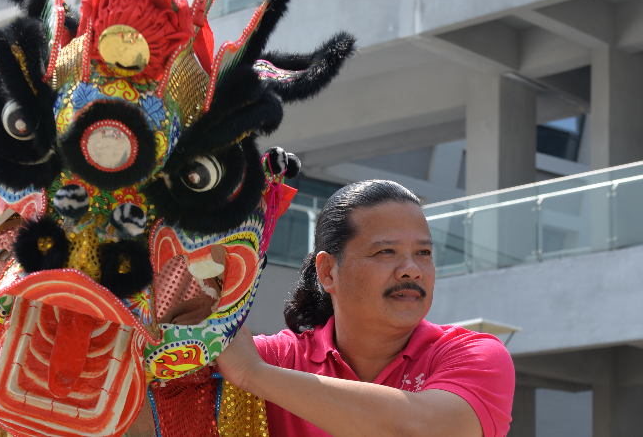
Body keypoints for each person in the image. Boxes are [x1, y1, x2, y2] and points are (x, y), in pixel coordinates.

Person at [215, 180, 514, 437]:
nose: (412, 270)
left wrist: (253, 374)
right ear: (328, 272)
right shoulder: (277, 359)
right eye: (386, 251)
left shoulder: (475, 355)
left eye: (423, 253)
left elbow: (422, 429)